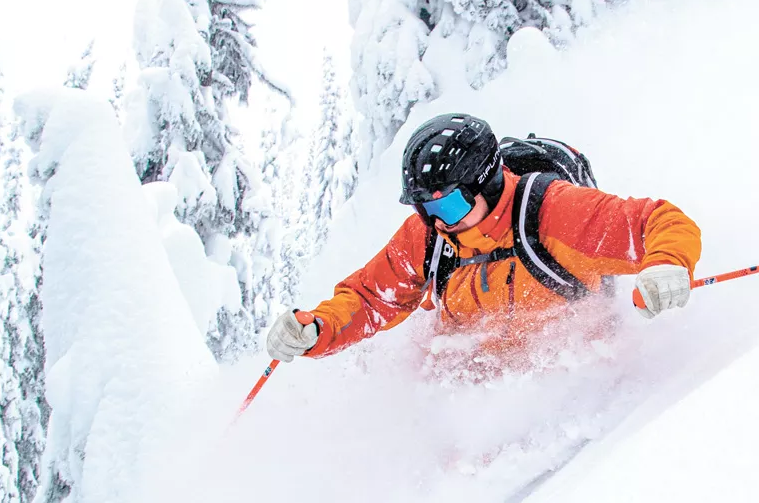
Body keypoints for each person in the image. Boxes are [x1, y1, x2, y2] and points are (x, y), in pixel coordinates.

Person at [266, 113, 701, 370]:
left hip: (575, 371)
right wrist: (317, 328)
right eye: (422, 209)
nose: (436, 222)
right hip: (468, 380)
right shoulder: (431, 236)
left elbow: (658, 221)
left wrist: (667, 263)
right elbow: (371, 297)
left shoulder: (551, 213)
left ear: (487, 184)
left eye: (448, 207)